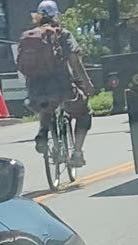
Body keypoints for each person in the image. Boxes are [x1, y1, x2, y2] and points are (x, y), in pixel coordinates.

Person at [21, 0, 94, 167]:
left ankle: (42, 133)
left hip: (35, 90)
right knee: (84, 113)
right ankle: (76, 153)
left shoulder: (30, 36)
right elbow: (74, 60)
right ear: (56, 16)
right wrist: (87, 83)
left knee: (46, 105)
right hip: (62, 88)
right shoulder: (63, 34)